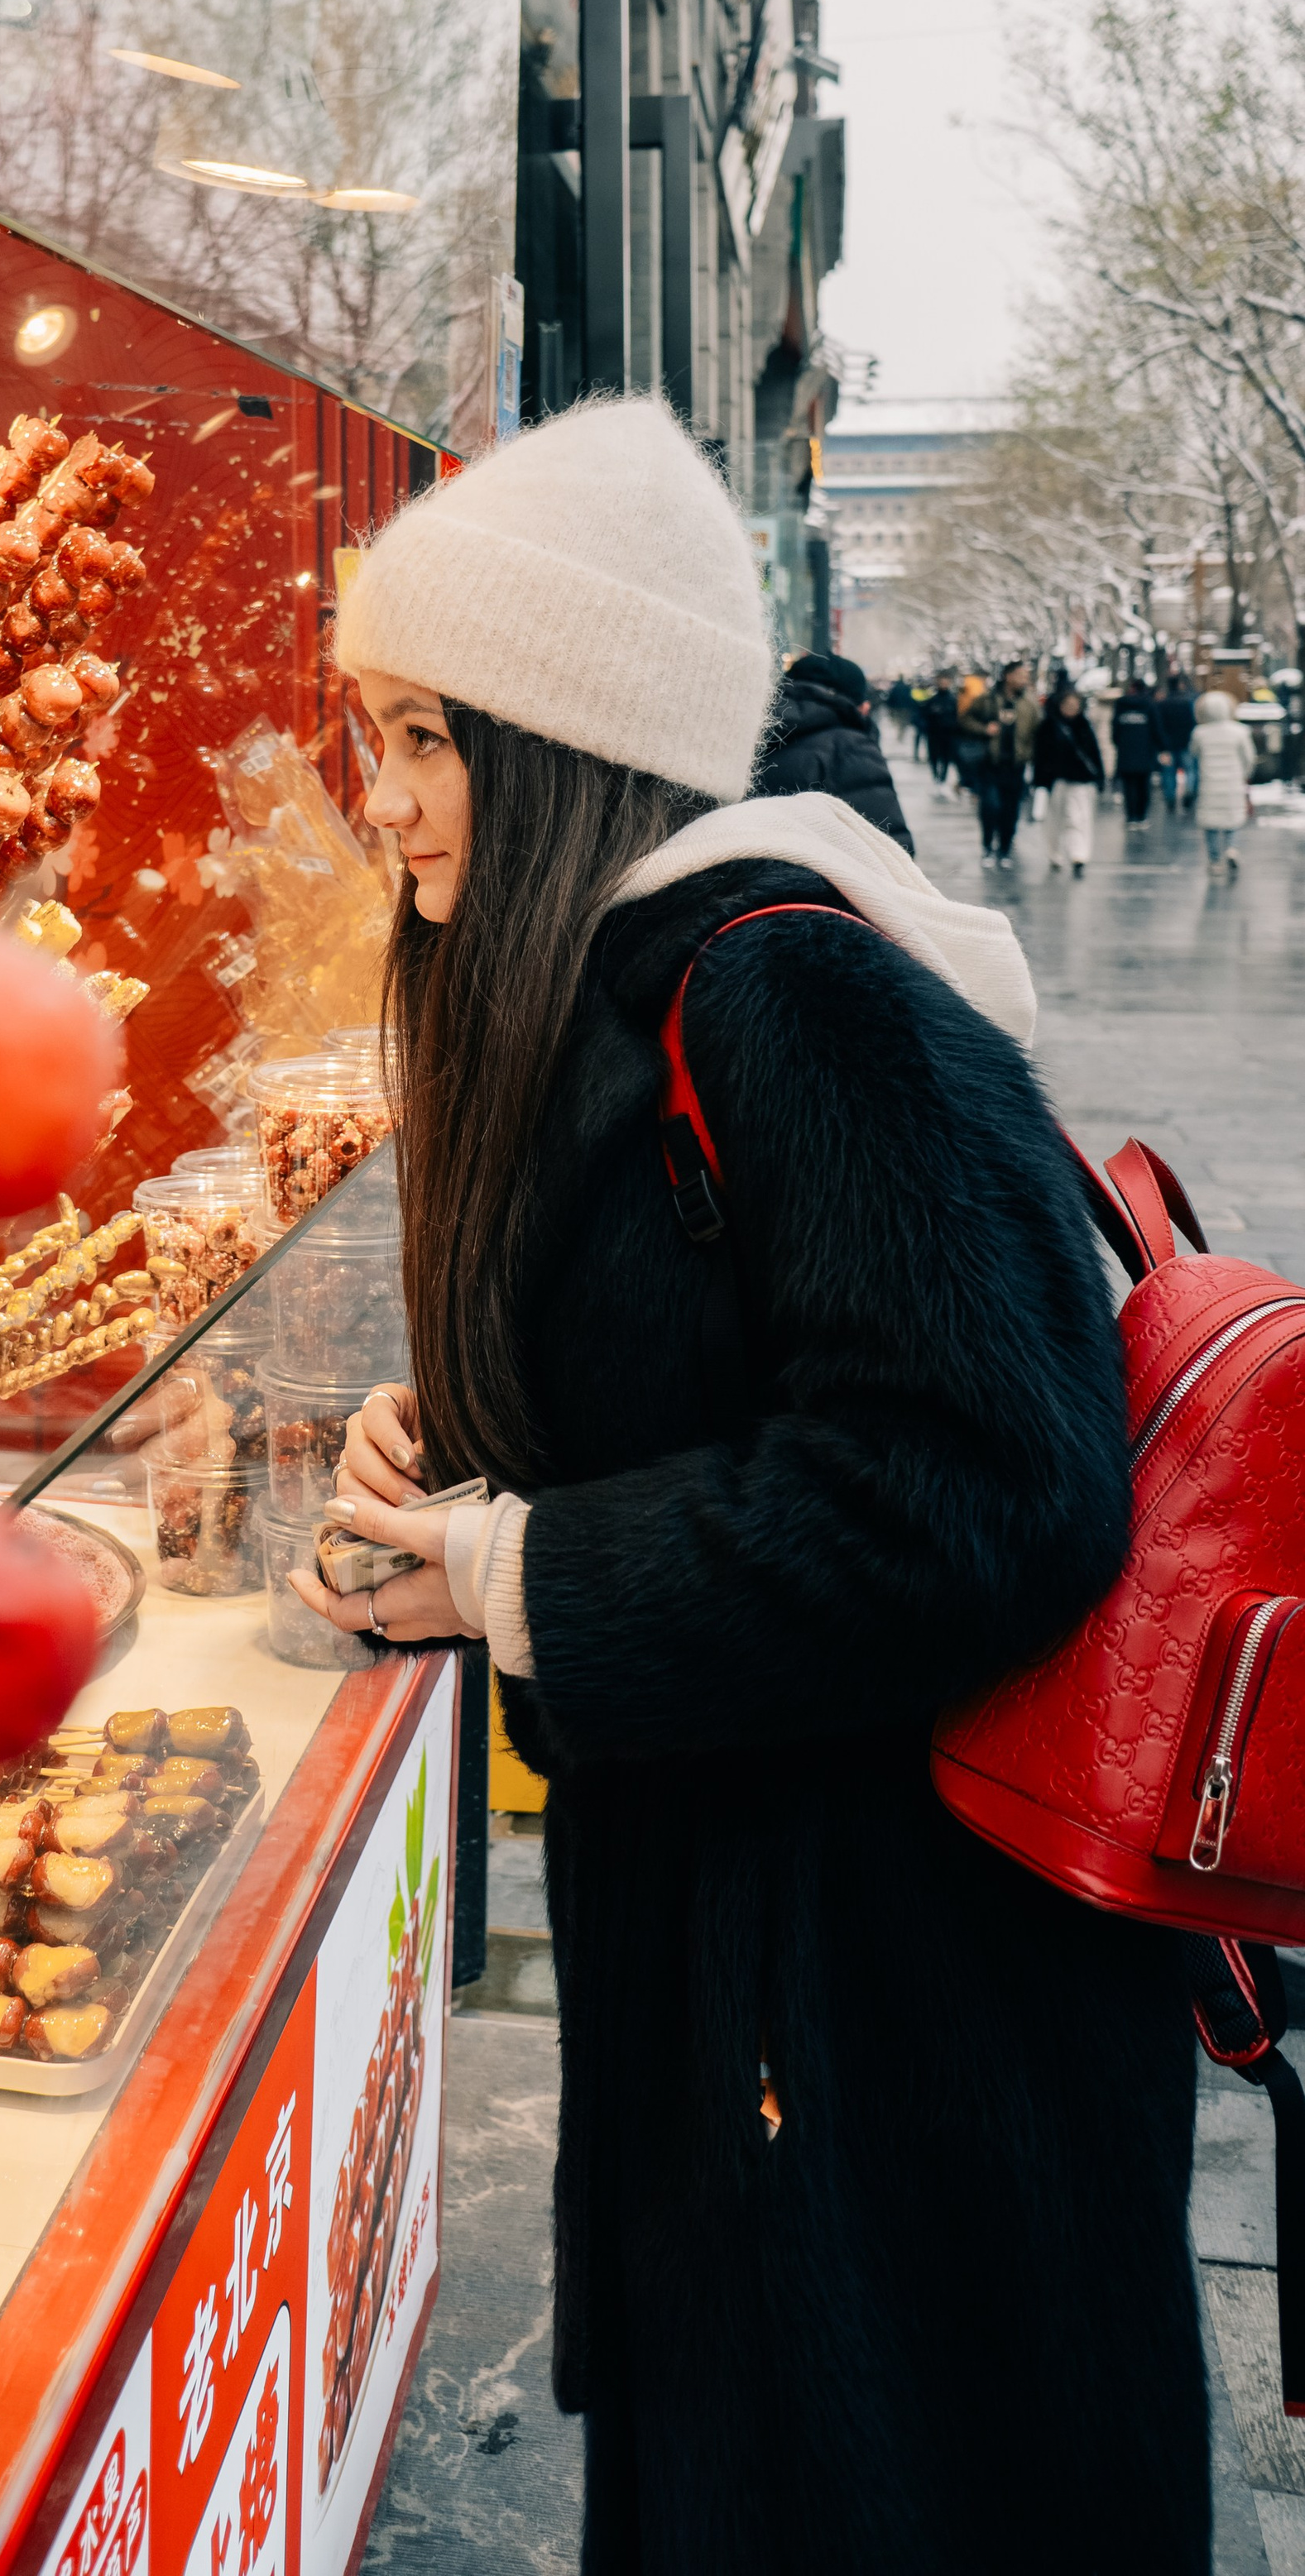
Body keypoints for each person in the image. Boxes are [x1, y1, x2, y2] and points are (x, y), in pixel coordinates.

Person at [283, 400, 1202, 2576]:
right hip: (773, 2020)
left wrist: (523, 1573)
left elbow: (989, 1480)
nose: (383, 795)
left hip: (906, 2044)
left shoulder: (781, 986)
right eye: (368, 732)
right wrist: (463, 1457)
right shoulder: (626, 1002)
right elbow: (733, 1383)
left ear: (566, 734)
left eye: (425, 734)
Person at [751, 649, 914, 851]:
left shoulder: (750, 735)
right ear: (862, 707)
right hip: (815, 877)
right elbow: (892, 849)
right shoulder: (851, 748)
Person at [962, 659, 1039, 869]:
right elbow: (966, 720)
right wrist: (985, 729)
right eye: (1021, 675)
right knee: (990, 806)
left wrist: (1031, 756)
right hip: (990, 764)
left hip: (1016, 766)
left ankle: (1004, 849)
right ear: (1008, 676)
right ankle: (988, 846)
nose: (1025, 680)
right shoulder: (987, 700)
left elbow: (1037, 733)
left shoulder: (1029, 704)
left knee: (1010, 809)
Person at [1034, 686, 1104, 875]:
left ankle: (1078, 856)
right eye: (1068, 705)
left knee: (1078, 819)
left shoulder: (1083, 725)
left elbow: (1094, 753)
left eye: (1075, 705)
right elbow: (1040, 756)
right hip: (1055, 781)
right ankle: (1055, 854)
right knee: (1054, 820)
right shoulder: (1049, 726)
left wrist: (1099, 777)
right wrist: (1040, 781)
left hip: (1079, 781)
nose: (1072, 709)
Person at [1191, 687, 1257, 879]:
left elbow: (1194, 753)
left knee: (1210, 824)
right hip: (1233, 781)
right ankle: (1231, 849)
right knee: (1233, 818)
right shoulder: (1240, 731)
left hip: (1209, 782)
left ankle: (1214, 861)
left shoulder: (1200, 732)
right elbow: (1249, 757)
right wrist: (1245, 774)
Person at [1111, 679, 1159, 826]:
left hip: (1126, 751)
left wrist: (1119, 743)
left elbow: (1115, 729)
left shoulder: (1121, 705)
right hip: (1145, 752)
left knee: (1129, 785)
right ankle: (1141, 816)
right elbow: (1156, 728)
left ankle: (1131, 816)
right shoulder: (1149, 705)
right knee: (1143, 786)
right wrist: (1161, 747)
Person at [1155, 673, 1198, 814]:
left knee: (1168, 773)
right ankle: (1189, 794)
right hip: (1186, 742)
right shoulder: (1187, 703)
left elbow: (1159, 726)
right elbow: (1193, 722)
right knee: (1190, 770)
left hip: (1169, 744)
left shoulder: (1162, 704)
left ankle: (1170, 798)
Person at [923, 673, 959, 784]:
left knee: (946, 756)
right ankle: (936, 775)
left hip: (948, 733)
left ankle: (943, 776)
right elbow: (925, 715)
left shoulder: (953, 700)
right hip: (934, 733)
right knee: (934, 755)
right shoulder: (932, 700)